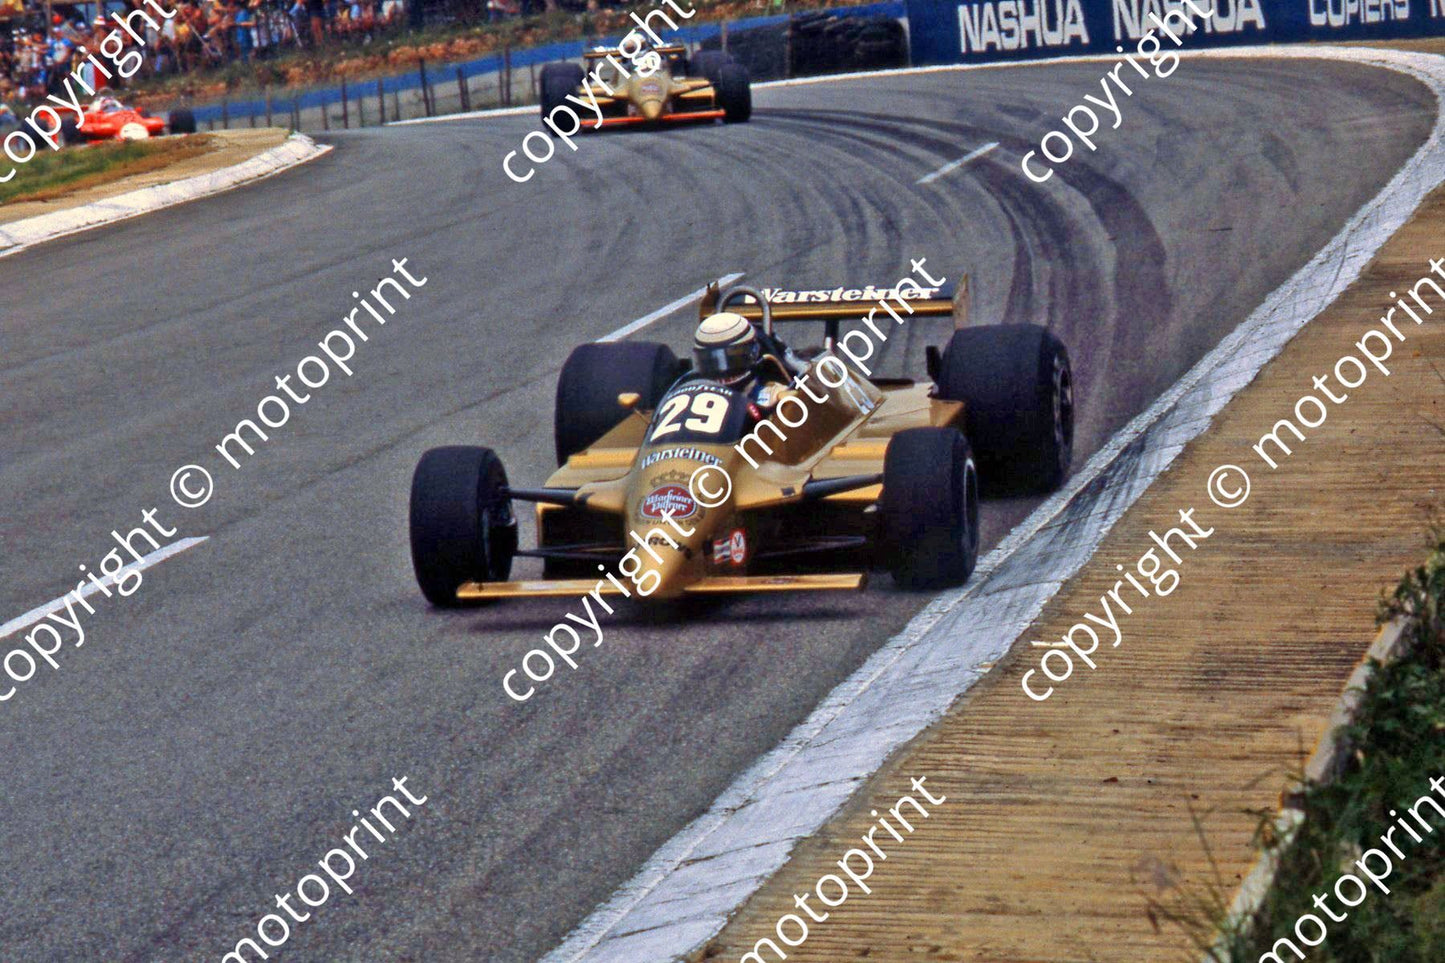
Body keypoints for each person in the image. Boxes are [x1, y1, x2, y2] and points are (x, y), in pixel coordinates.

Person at [691, 311, 797, 418]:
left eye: (732, 360)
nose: (722, 372)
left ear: (752, 353)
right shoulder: (690, 398)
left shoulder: (773, 396)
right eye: (711, 362)